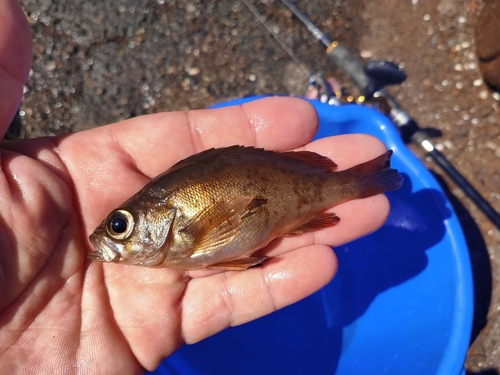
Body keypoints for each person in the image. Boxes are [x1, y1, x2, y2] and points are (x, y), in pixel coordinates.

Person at [0, 0, 391, 373]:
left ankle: (358, 182)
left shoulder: (179, 237)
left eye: (120, 225)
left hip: (289, 193)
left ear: (161, 216)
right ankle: (360, 180)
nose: (113, 236)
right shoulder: (169, 245)